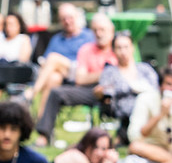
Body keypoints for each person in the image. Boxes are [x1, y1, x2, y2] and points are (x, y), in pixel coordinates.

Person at [34, 13, 118, 147]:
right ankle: (43, 136)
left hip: (114, 92)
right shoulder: (86, 50)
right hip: (88, 91)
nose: (99, 34)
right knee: (55, 92)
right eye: (95, 30)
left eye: (102, 30)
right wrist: (106, 73)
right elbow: (80, 78)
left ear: (112, 32)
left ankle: (121, 138)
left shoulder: (119, 49)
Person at [23, 3, 95, 114]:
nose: (67, 21)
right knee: (53, 77)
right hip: (61, 75)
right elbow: (45, 61)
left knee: (53, 58)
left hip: (80, 72)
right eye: (63, 19)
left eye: (70, 17)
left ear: (77, 17)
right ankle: (43, 121)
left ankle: (32, 92)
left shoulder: (88, 36)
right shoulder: (56, 39)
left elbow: (93, 60)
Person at [127, 67, 172, 163]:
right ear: (160, 86)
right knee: (135, 147)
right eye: (169, 84)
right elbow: (135, 136)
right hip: (151, 147)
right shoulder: (145, 99)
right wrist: (160, 115)